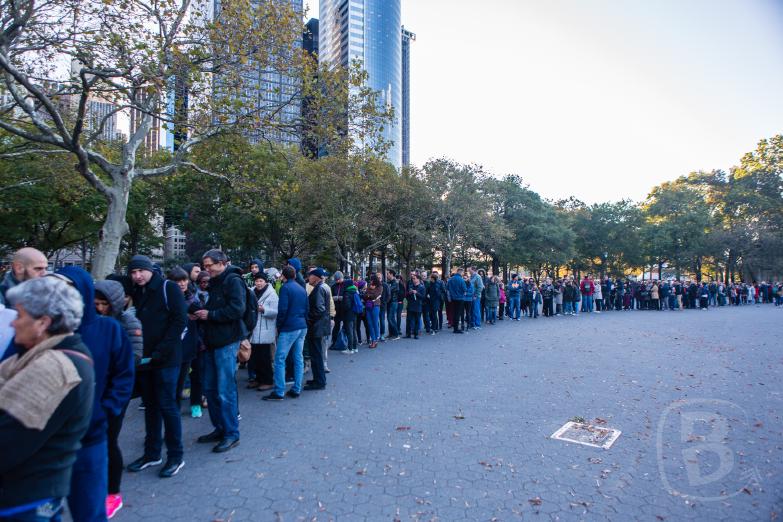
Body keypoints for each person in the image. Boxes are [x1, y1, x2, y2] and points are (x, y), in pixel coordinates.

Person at [0, 277, 94, 522]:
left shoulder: (54, 368)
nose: (13, 323)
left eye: (19, 315)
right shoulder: (37, 356)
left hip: (23, 500)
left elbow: (8, 440)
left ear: (43, 322)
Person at [56, 267, 134, 522]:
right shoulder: (45, 327)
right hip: (49, 439)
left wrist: (105, 410)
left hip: (93, 432)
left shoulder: (110, 328)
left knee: (88, 508)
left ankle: (112, 492)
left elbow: (124, 373)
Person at [127, 255, 187, 476]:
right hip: (145, 361)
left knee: (167, 406)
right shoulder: (136, 291)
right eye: (133, 272)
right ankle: (152, 454)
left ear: (150, 270)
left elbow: (180, 320)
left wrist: (163, 350)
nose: (137, 276)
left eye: (140, 271)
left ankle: (175, 456)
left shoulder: (167, 287)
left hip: (166, 360)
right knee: (151, 407)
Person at [94, 279, 143, 519]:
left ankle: (113, 492)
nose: (100, 308)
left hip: (115, 392)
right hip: (93, 392)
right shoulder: (89, 321)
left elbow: (133, 358)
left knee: (109, 440)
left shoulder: (127, 322)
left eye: (105, 304)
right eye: (96, 303)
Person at [192, 250, 245, 453]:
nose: (206, 270)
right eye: (204, 266)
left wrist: (210, 315)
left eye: (209, 265)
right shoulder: (215, 281)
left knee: (225, 390)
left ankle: (232, 433)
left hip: (226, 342)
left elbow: (237, 309)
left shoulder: (233, 280)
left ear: (221, 263)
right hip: (211, 342)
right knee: (210, 389)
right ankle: (220, 428)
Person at [263, 266, 308, 401]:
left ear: (284, 276)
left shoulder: (285, 288)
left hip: (290, 326)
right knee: (298, 358)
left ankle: (279, 391)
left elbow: (282, 309)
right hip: (302, 325)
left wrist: (279, 326)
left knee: (279, 359)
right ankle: (296, 388)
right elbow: (307, 308)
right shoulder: (301, 288)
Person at [166, 268, 203, 419]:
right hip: (174, 346)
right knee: (177, 381)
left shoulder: (194, 298)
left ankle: (196, 404)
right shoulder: (166, 300)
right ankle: (174, 412)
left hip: (195, 343)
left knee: (197, 375)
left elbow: (202, 319)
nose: (182, 284)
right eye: (178, 281)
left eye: (184, 280)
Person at [249, 272, 277, 392]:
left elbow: (276, 312)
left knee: (265, 358)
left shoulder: (272, 294)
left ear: (265, 281)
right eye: (257, 281)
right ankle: (258, 379)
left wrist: (263, 309)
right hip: (254, 328)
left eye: (261, 281)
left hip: (265, 329)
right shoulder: (251, 292)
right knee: (255, 357)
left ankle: (268, 381)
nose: (258, 283)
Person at [305, 269, 330, 390]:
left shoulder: (319, 289)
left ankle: (319, 381)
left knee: (316, 354)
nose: (308, 278)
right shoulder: (321, 287)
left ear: (316, 277)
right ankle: (318, 379)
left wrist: (308, 319)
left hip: (316, 327)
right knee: (316, 354)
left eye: (310, 276)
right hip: (319, 326)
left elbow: (319, 310)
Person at [340, 278, 360, 354]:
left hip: (348, 314)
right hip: (355, 313)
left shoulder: (347, 293)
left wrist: (342, 307)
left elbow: (347, 306)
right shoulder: (355, 291)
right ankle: (355, 347)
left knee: (349, 331)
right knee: (354, 331)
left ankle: (350, 349)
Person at [405, 273, 425, 339]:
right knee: (408, 320)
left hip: (418, 306)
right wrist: (409, 293)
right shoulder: (411, 286)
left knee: (417, 320)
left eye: (414, 278)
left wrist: (417, 293)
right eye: (412, 279)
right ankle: (408, 334)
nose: (413, 280)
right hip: (410, 305)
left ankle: (416, 334)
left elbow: (423, 297)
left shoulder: (422, 287)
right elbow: (406, 295)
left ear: (418, 279)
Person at [385, 270, 400, 340]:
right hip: (389, 302)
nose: (386, 275)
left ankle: (396, 334)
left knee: (391, 318)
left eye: (387, 274)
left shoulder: (395, 282)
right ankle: (391, 334)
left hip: (393, 302)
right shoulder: (389, 282)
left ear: (391, 274)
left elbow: (389, 290)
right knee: (389, 318)